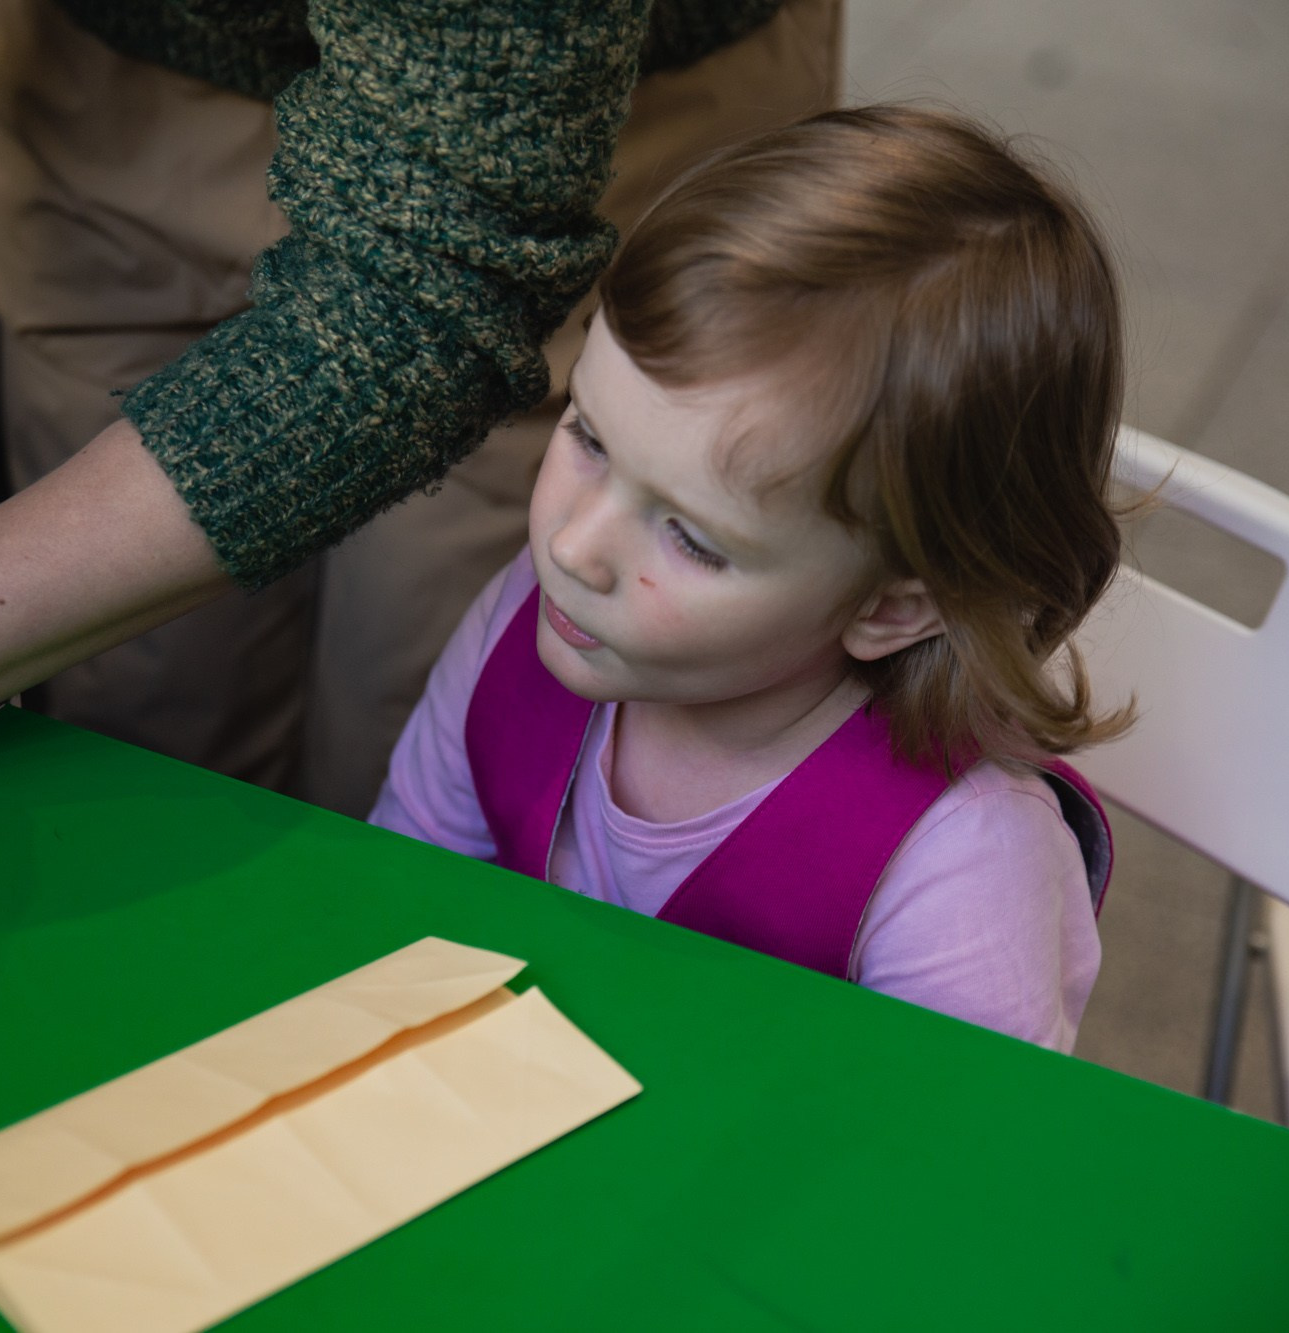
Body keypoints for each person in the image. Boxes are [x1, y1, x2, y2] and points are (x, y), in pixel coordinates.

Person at [0, 1, 831, 886]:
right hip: (108, 84)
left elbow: (430, 262)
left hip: (583, 113)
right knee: (137, 722)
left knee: (448, 746)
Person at [370, 106, 1131, 1050]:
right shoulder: (525, 624)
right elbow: (397, 916)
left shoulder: (959, 866)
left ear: (892, 605)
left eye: (692, 538)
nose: (573, 546)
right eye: (588, 436)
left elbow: (945, 1168)